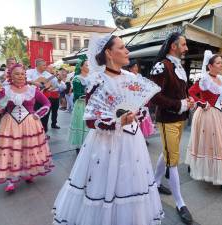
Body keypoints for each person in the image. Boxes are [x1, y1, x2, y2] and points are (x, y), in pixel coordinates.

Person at [53, 34, 163, 225]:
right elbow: (90, 120)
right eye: (121, 47)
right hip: (107, 143)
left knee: (131, 180)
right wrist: (118, 121)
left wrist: (137, 114)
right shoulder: (98, 81)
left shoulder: (131, 77)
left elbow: (141, 106)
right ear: (109, 53)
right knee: (106, 184)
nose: (127, 51)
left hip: (132, 141)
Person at [150, 32, 194, 224]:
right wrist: (179, 105)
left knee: (168, 152)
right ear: (173, 46)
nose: (186, 48)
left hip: (179, 118)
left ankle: (155, 182)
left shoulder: (178, 66)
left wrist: (188, 101)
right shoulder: (161, 66)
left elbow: (181, 92)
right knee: (173, 160)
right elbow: (154, 97)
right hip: (167, 118)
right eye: (183, 45)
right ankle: (180, 202)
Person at [186, 50, 222, 194]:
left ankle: (220, 175)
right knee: (209, 142)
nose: (221, 65)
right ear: (210, 66)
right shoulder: (204, 79)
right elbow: (191, 92)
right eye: (218, 63)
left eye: (221, 63)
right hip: (206, 114)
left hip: (218, 114)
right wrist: (201, 102)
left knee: (218, 142)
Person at [0, 64, 53, 192]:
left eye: (22, 73)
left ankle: (28, 173)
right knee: (13, 149)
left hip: (30, 124)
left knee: (28, 148)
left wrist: (38, 114)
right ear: (10, 76)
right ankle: (11, 180)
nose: (20, 76)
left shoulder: (32, 89)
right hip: (11, 124)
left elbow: (46, 103)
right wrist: (2, 103)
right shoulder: (5, 90)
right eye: (17, 74)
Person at [26, 59, 66, 132]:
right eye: (44, 65)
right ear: (38, 66)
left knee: (45, 116)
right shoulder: (30, 72)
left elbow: (58, 85)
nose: (45, 66)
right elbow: (26, 80)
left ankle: (44, 132)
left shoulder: (47, 74)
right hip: (31, 98)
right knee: (32, 115)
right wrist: (34, 83)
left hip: (43, 98)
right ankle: (33, 132)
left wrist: (59, 79)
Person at [127, 59, 155, 145]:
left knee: (143, 121)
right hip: (132, 103)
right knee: (135, 121)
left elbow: (145, 88)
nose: (136, 68)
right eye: (134, 67)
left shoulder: (140, 77)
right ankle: (134, 139)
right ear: (130, 69)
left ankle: (143, 138)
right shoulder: (127, 77)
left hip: (142, 102)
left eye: (136, 66)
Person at [68, 55, 89, 154]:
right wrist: (89, 93)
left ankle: (89, 144)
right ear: (81, 67)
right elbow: (77, 94)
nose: (88, 66)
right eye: (86, 65)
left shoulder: (92, 77)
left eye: (89, 65)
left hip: (90, 105)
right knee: (81, 124)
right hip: (81, 105)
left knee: (89, 125)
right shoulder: (77, 78)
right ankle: (79, 146)